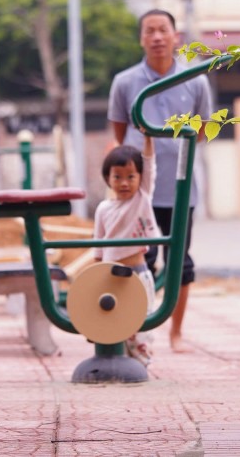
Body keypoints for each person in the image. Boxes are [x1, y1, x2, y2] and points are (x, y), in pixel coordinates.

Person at [108, 9, 213, 353]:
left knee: (181, 263)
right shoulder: (124, 82)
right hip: (139, 195)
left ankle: (176, 333)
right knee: (140, 260)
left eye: (162, 30)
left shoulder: (195, 80)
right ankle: (135, 332)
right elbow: (121, 138)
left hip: (182, 190)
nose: (156, 37)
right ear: (141, 38)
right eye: (149, 31)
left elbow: (202, 132)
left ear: (175, 36)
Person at [93, 137, 159, 365]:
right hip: (111, 274)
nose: (124, 183)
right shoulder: (103, 209)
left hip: (137, 273)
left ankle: (141, 361)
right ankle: (118, 358)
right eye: (117, 177)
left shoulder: (141, 199)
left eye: (131, 177)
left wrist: (148, 139)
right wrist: (96, 274)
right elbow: (98, 244)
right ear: (107, 179)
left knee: (141, 319)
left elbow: (149, 164)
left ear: (140, 179)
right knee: (115, 317)